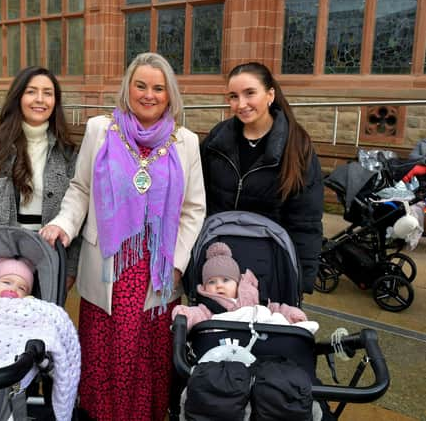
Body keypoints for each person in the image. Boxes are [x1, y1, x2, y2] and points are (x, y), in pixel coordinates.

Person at [41, 52, 206, 420]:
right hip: (108, 267)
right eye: (141, 85)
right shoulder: (102, 129)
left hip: (158, 270)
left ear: (170, 95)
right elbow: (81, 189)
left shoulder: (186, 141)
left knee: (146, 359)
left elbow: (193, 209)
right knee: (105, 356)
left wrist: (177, 263)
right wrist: (64, 225)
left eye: (158, 88)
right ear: (128, 88)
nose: (149, 94)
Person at [201, 62, 323, 293]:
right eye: (233, 96)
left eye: (250, 93)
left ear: (270, 95)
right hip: (219, 263)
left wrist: (301, 280)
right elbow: (197, 197)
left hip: (270, 266)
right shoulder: (218, 139)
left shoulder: (296, 146)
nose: (241, 104)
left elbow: (306, 221)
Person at [0, 66, 80, 281]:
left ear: (55, 102)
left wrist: (69, 270)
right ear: (18, 96)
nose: (40, 99)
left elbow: (77, 210)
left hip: (47, 261)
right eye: (31, 91)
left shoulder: (67, 152)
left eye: (48, 93)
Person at [171, 242, 315, 333]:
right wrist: (185, 315)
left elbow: (275, 308)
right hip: (227, 342)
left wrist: (290, 314)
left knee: (275, 317)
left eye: (225, 280)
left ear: (237, 282)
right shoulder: (208, 307)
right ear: (204, 286)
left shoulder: (255, 297)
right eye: (211, 282)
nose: (218, 285)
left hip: (260, 336)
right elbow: (197, 314)